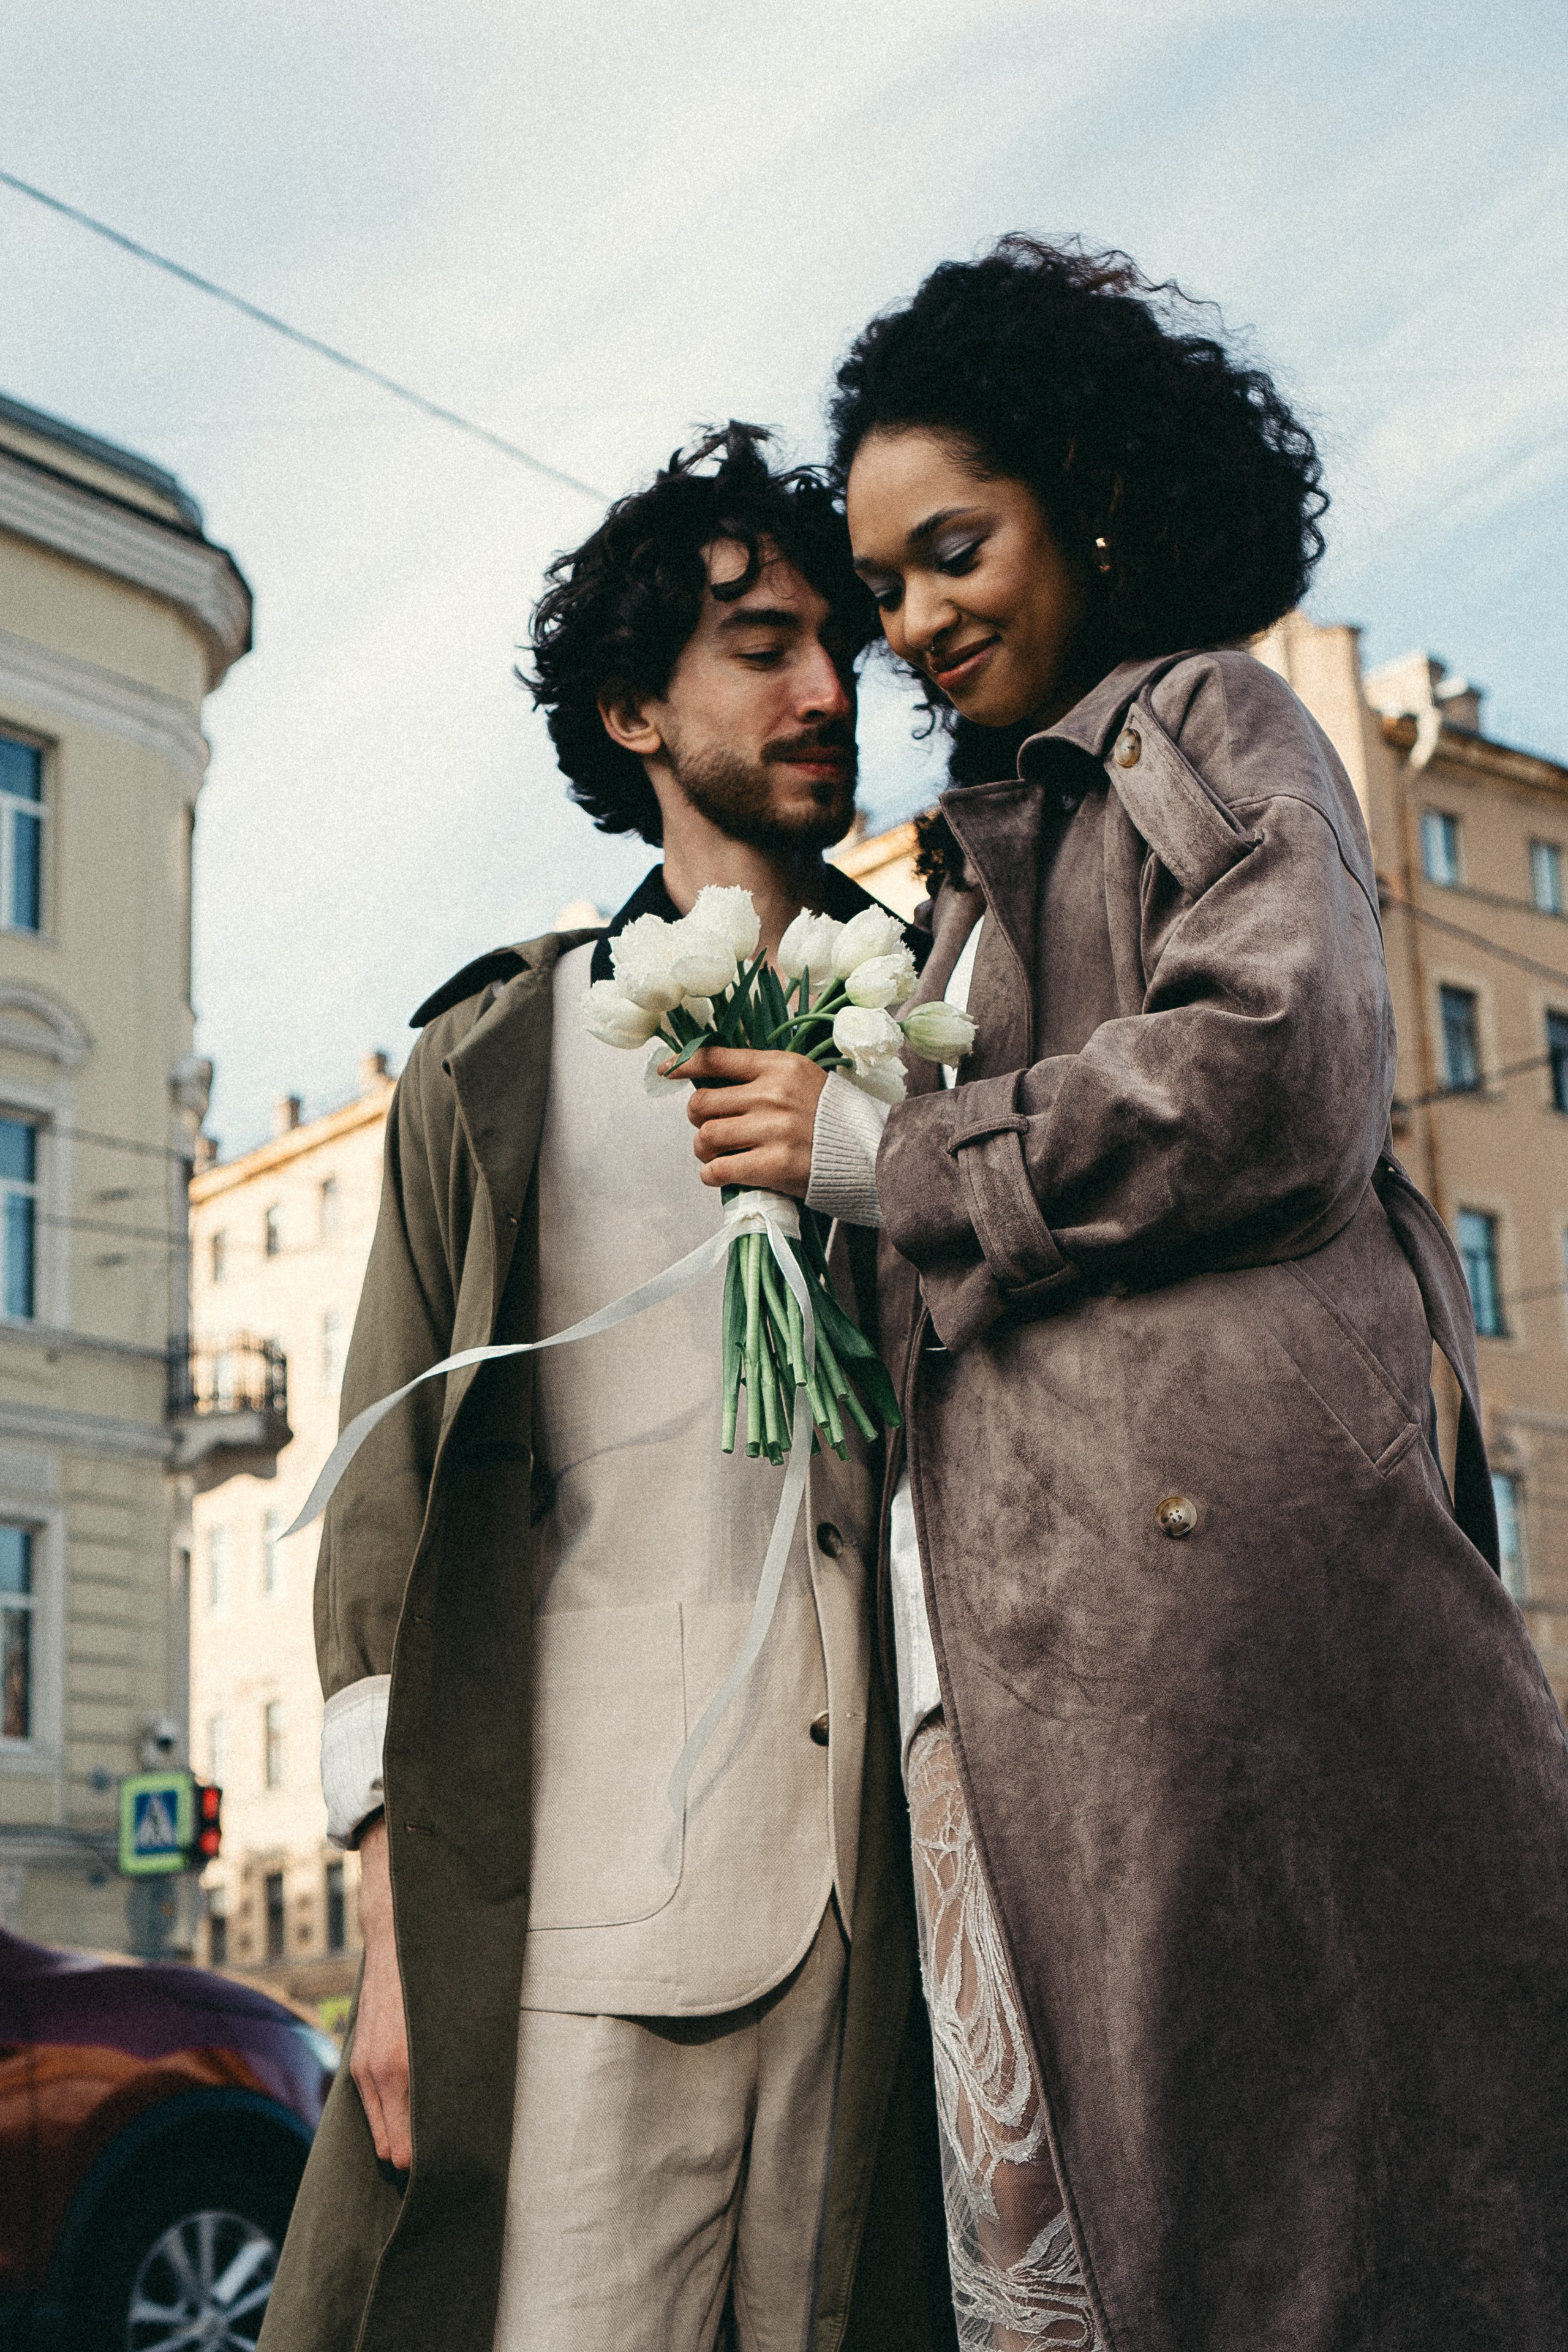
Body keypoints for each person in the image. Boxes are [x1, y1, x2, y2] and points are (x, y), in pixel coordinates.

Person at [691, 243, 1568, 2350]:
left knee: (1301, 2223)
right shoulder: (962, 866)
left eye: (953, 550)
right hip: (1014, 1662)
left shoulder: (1207, 720)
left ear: (1088, 494)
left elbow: (1278, 1060)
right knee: (1095, 2243)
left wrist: (880, 1154)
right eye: (885, 583)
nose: (913, 620)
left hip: (1211, 1620)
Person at [259, 426, 955, 2352]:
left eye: (840, 642)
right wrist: (399, 1958)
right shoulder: (499, 1060)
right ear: (636, 706)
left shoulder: (954, 1016)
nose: (828, 689)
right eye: (761, 645)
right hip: (577, 1927)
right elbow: (384, 1530)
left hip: (893, 1934)